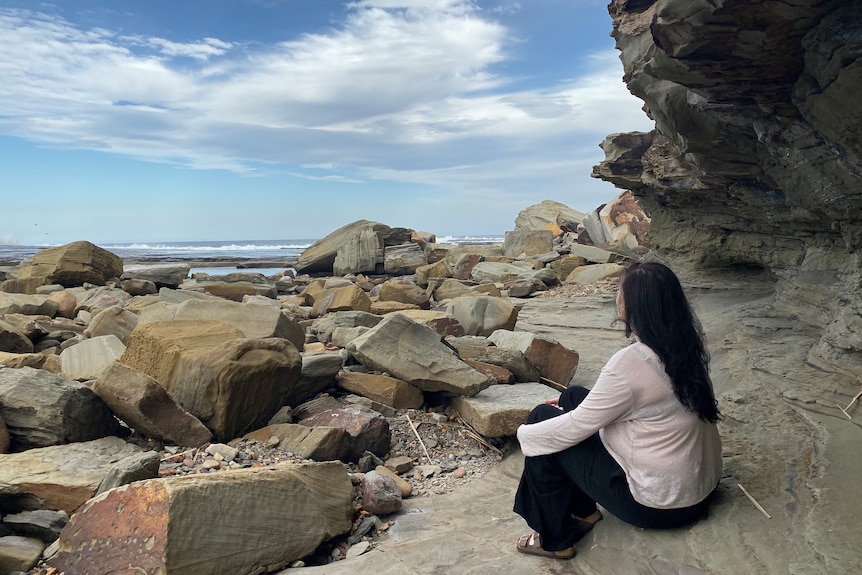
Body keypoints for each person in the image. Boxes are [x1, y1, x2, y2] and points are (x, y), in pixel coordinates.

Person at [513, 261, 722, 560]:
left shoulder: (631, 362)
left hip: (658, 506)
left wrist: (524, 432)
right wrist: (568, 412)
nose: (616, 296)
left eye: (620, 291)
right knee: (573, 396)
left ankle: (555, 540)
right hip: (698, 489)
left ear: (633, 304)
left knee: (541, 422)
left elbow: (574, 428)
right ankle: (585, 512)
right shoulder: (683, 346)